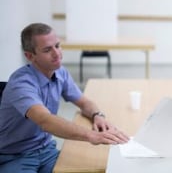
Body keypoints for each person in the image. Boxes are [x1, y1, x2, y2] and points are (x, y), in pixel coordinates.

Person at [0, 23, 129, 173]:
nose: (57, 54)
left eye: (57, 45)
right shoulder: (21, 84)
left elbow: (83, 101)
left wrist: (97, 115)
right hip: (15, 156)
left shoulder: (60, 72)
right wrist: (91, 135)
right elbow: (45, 121)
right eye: (47, 50)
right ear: (30, 56)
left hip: (46, 151)